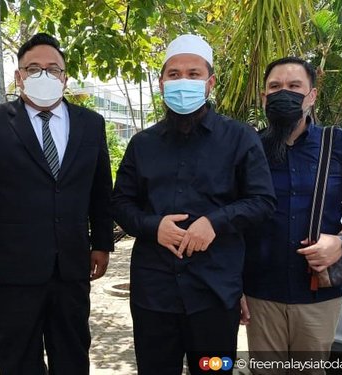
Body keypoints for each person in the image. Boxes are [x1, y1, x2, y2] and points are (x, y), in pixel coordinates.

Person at [111, 34, 276, 375]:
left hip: (215, 294)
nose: (182, 81)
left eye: (193, 73)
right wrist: (153, 226)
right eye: (174, 74)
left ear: (210, 82)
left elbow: (262, 201)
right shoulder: (143, 144)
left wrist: (215, 222)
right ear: (161, 83)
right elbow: (121, 202)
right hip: (154, 295)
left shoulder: (240, 137)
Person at [0, 32, 113, 375]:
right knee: (18, 358)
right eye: (33, 68)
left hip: (72, 267)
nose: (44, 76)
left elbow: (100, 190)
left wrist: (102, 243)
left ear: (65, 77)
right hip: (11, 270)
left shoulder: (91, 124)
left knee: (73, 353)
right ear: (18, 76)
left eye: (52, 69)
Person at [243, 56, 342, 374]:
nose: (283, 93)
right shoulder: (250, 148)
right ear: (264, 97)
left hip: (319, 293)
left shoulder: (338, 143)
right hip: (261, 293)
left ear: (312, 95)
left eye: (294, 86)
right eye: (275, 87)